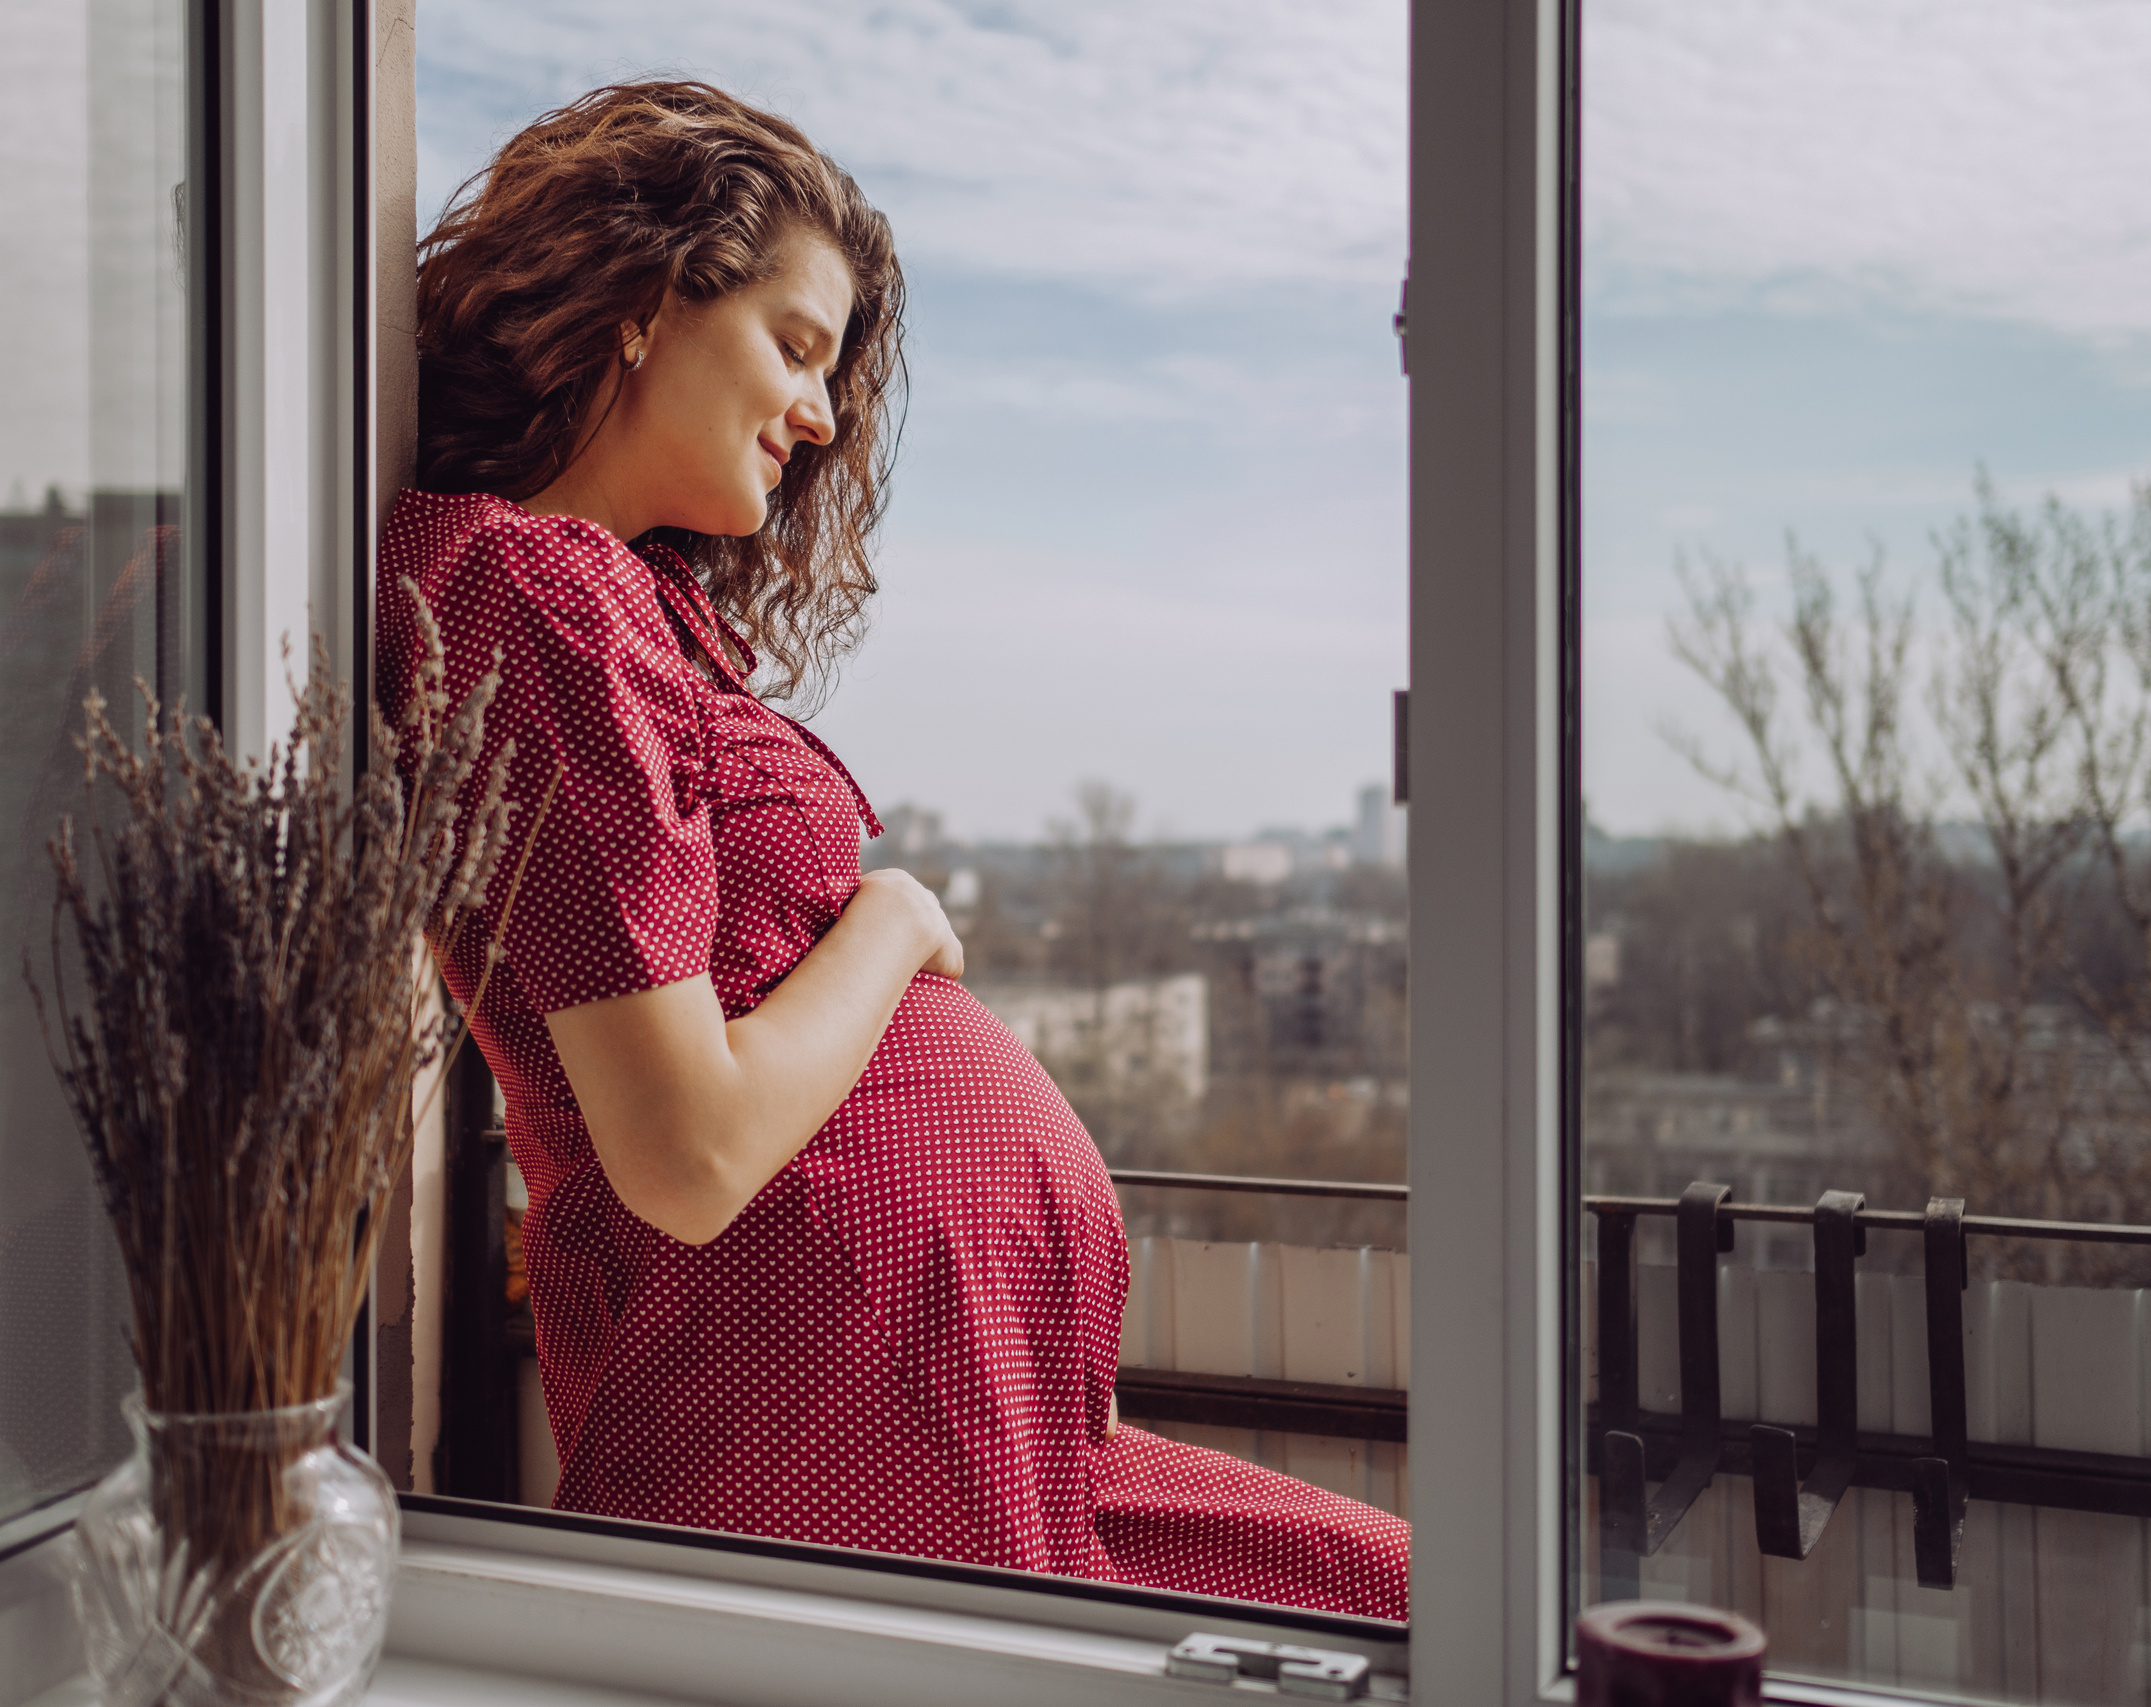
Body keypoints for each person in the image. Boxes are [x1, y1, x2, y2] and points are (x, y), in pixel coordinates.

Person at [380, 80, 1407, 1620]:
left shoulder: (601, 595)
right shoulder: (531, 593)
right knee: (1431, 1630)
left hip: (928, 1389)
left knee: (1415, 1607)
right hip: (815, 1401)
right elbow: (687, 1155)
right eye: (795, 345)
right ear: (646, 302)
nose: (819, 416)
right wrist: (895, 919)